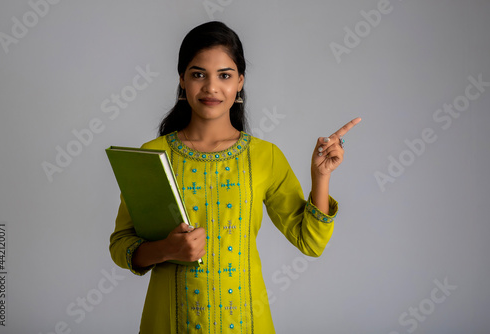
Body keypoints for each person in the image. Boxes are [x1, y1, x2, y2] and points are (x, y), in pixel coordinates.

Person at [109, 21, 360, 333]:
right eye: (198, 74)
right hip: (170, 322)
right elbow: (122, 245)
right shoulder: (153, 155)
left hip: (245, 323)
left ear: (240, 81)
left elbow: (310, 242)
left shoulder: (264, 156)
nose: (211, 87)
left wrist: (320, 178)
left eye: (224, 75)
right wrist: (167, 250)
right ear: (182, 80)